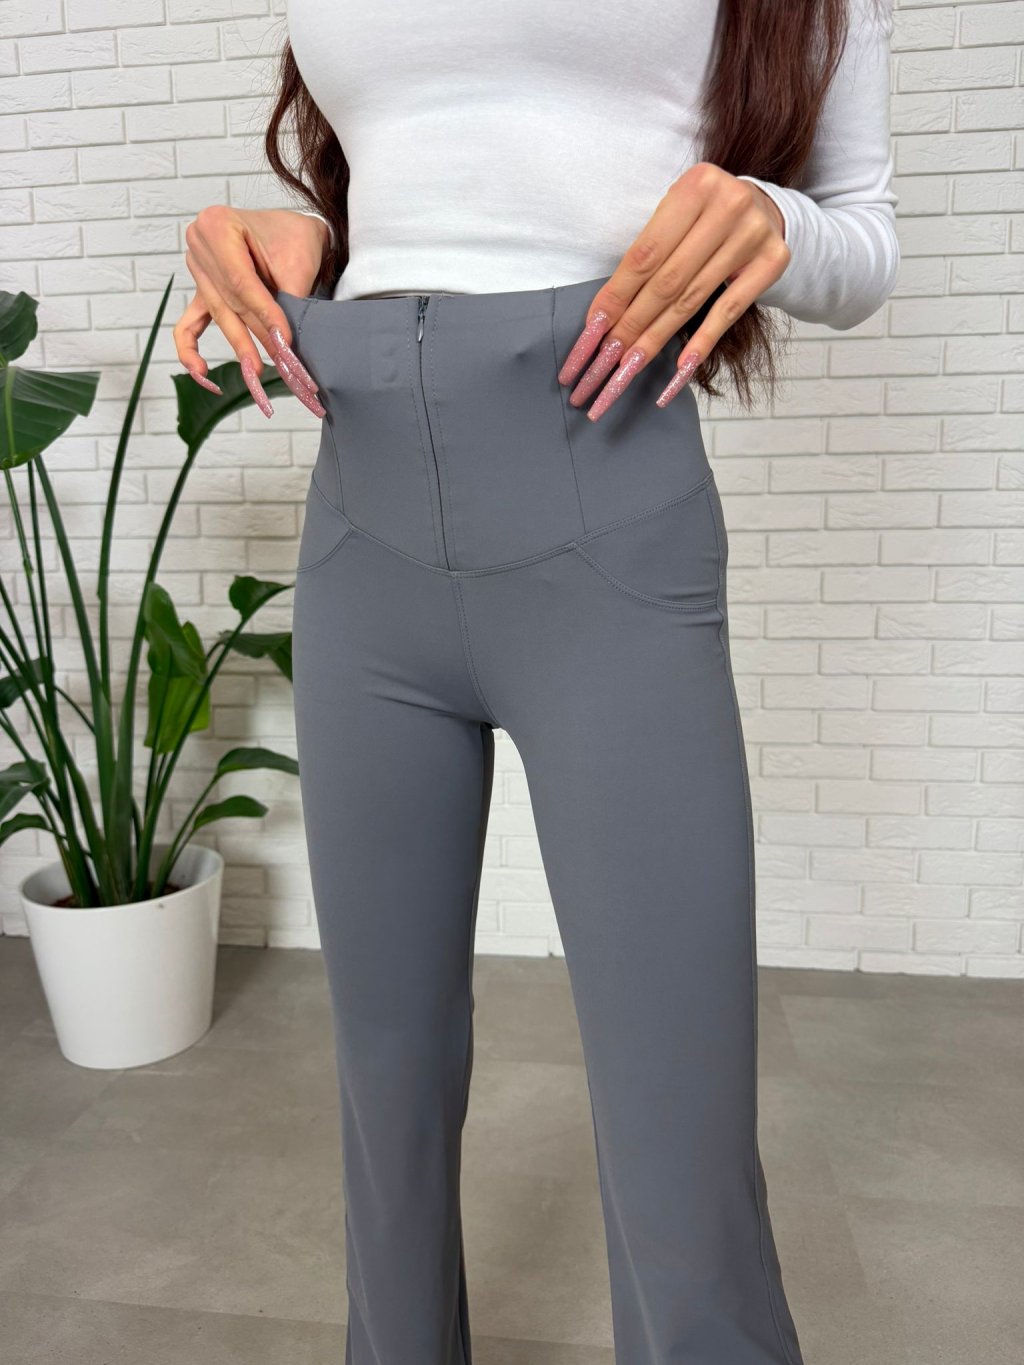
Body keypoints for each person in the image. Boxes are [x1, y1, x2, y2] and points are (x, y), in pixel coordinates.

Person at [174, 2, 899, 1362]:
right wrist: (298, 242)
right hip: (365, 512)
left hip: (603, 498)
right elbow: (426, 168)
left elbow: (863, 238)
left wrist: (771, 220)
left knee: (675, 1107)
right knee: (385, 1083)